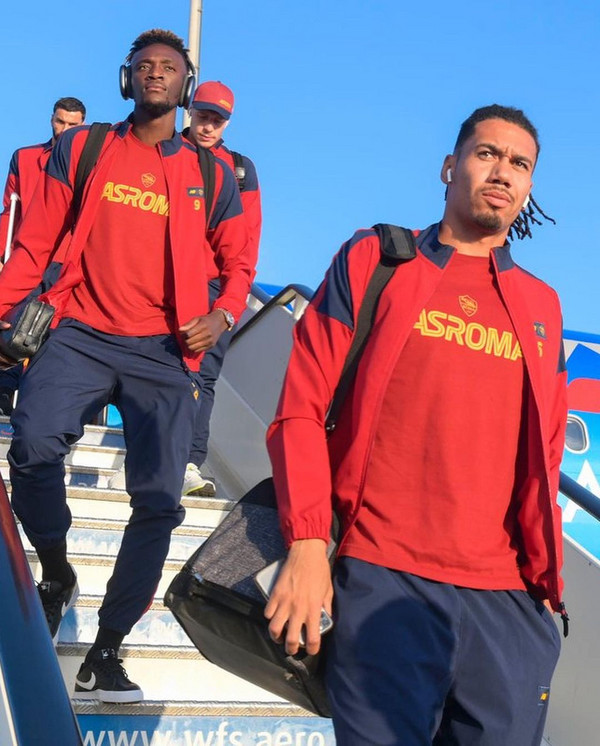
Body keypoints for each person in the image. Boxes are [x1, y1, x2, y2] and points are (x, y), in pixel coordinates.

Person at [265, 105, 568, 745]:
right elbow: (301, 407)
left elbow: (544, 452)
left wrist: (544, 589)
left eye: (519, 164)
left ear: (529, 187)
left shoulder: (542, 305)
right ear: (449, 166)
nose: (502, 172)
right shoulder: (378, 260)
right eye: (487, 154)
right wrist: (308, 543)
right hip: (385, 578)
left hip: (507, 602)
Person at [0, 28, 250, 703]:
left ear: (185, 85)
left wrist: (224, 313)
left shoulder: (211, 175)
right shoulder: (84, 147)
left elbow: (238, 262)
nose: (155, 74)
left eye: (169, 67)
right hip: (78, 331)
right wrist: (3, 313)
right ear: (125, 79)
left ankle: (107, 646)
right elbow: (35, 242)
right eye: (144, 66)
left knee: (160, 502)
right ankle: (57, 571)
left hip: (164, 351)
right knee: (31, 447)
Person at [108, 81, 261, 497]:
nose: (209, 126)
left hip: (212, 286)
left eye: (218, 121)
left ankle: (189, 461)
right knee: (149, 368)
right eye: (204, 116)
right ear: (190, 111)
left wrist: (232, 297)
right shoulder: (164, 150)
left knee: (203, 376)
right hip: (160, 278)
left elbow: (248, 239)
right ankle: (141, 457)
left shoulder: (240, 169)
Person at [0, 96, 86, 414]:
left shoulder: (90, 165)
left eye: (72, 125)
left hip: (68, 261)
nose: (64, 129)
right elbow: (10, 210)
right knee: (15, 326)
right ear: (51, 119)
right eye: (60, 121)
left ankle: (38, 403)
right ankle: (4, 394)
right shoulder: (25, 157)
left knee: (54, 334)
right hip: (27, 256)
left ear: (83, 126)